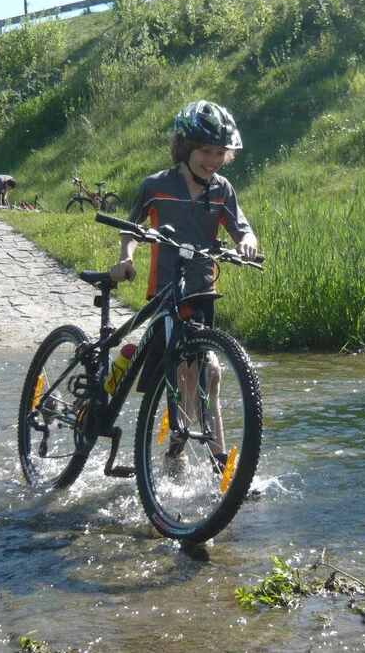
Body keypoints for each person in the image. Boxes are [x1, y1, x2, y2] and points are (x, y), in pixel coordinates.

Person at [108, 100, 259, 465]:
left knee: (209, 373)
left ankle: (207, 460)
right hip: (165, 293)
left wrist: (247, 242)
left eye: (220, 152)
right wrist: (126, 258)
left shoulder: (221, 189)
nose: (213, 159)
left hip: (202, 292)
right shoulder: (156, 185)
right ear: (186, 148)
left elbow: (242, 228)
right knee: (185, 375)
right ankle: (181, 454)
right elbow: (132, 229)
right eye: (205, 151)